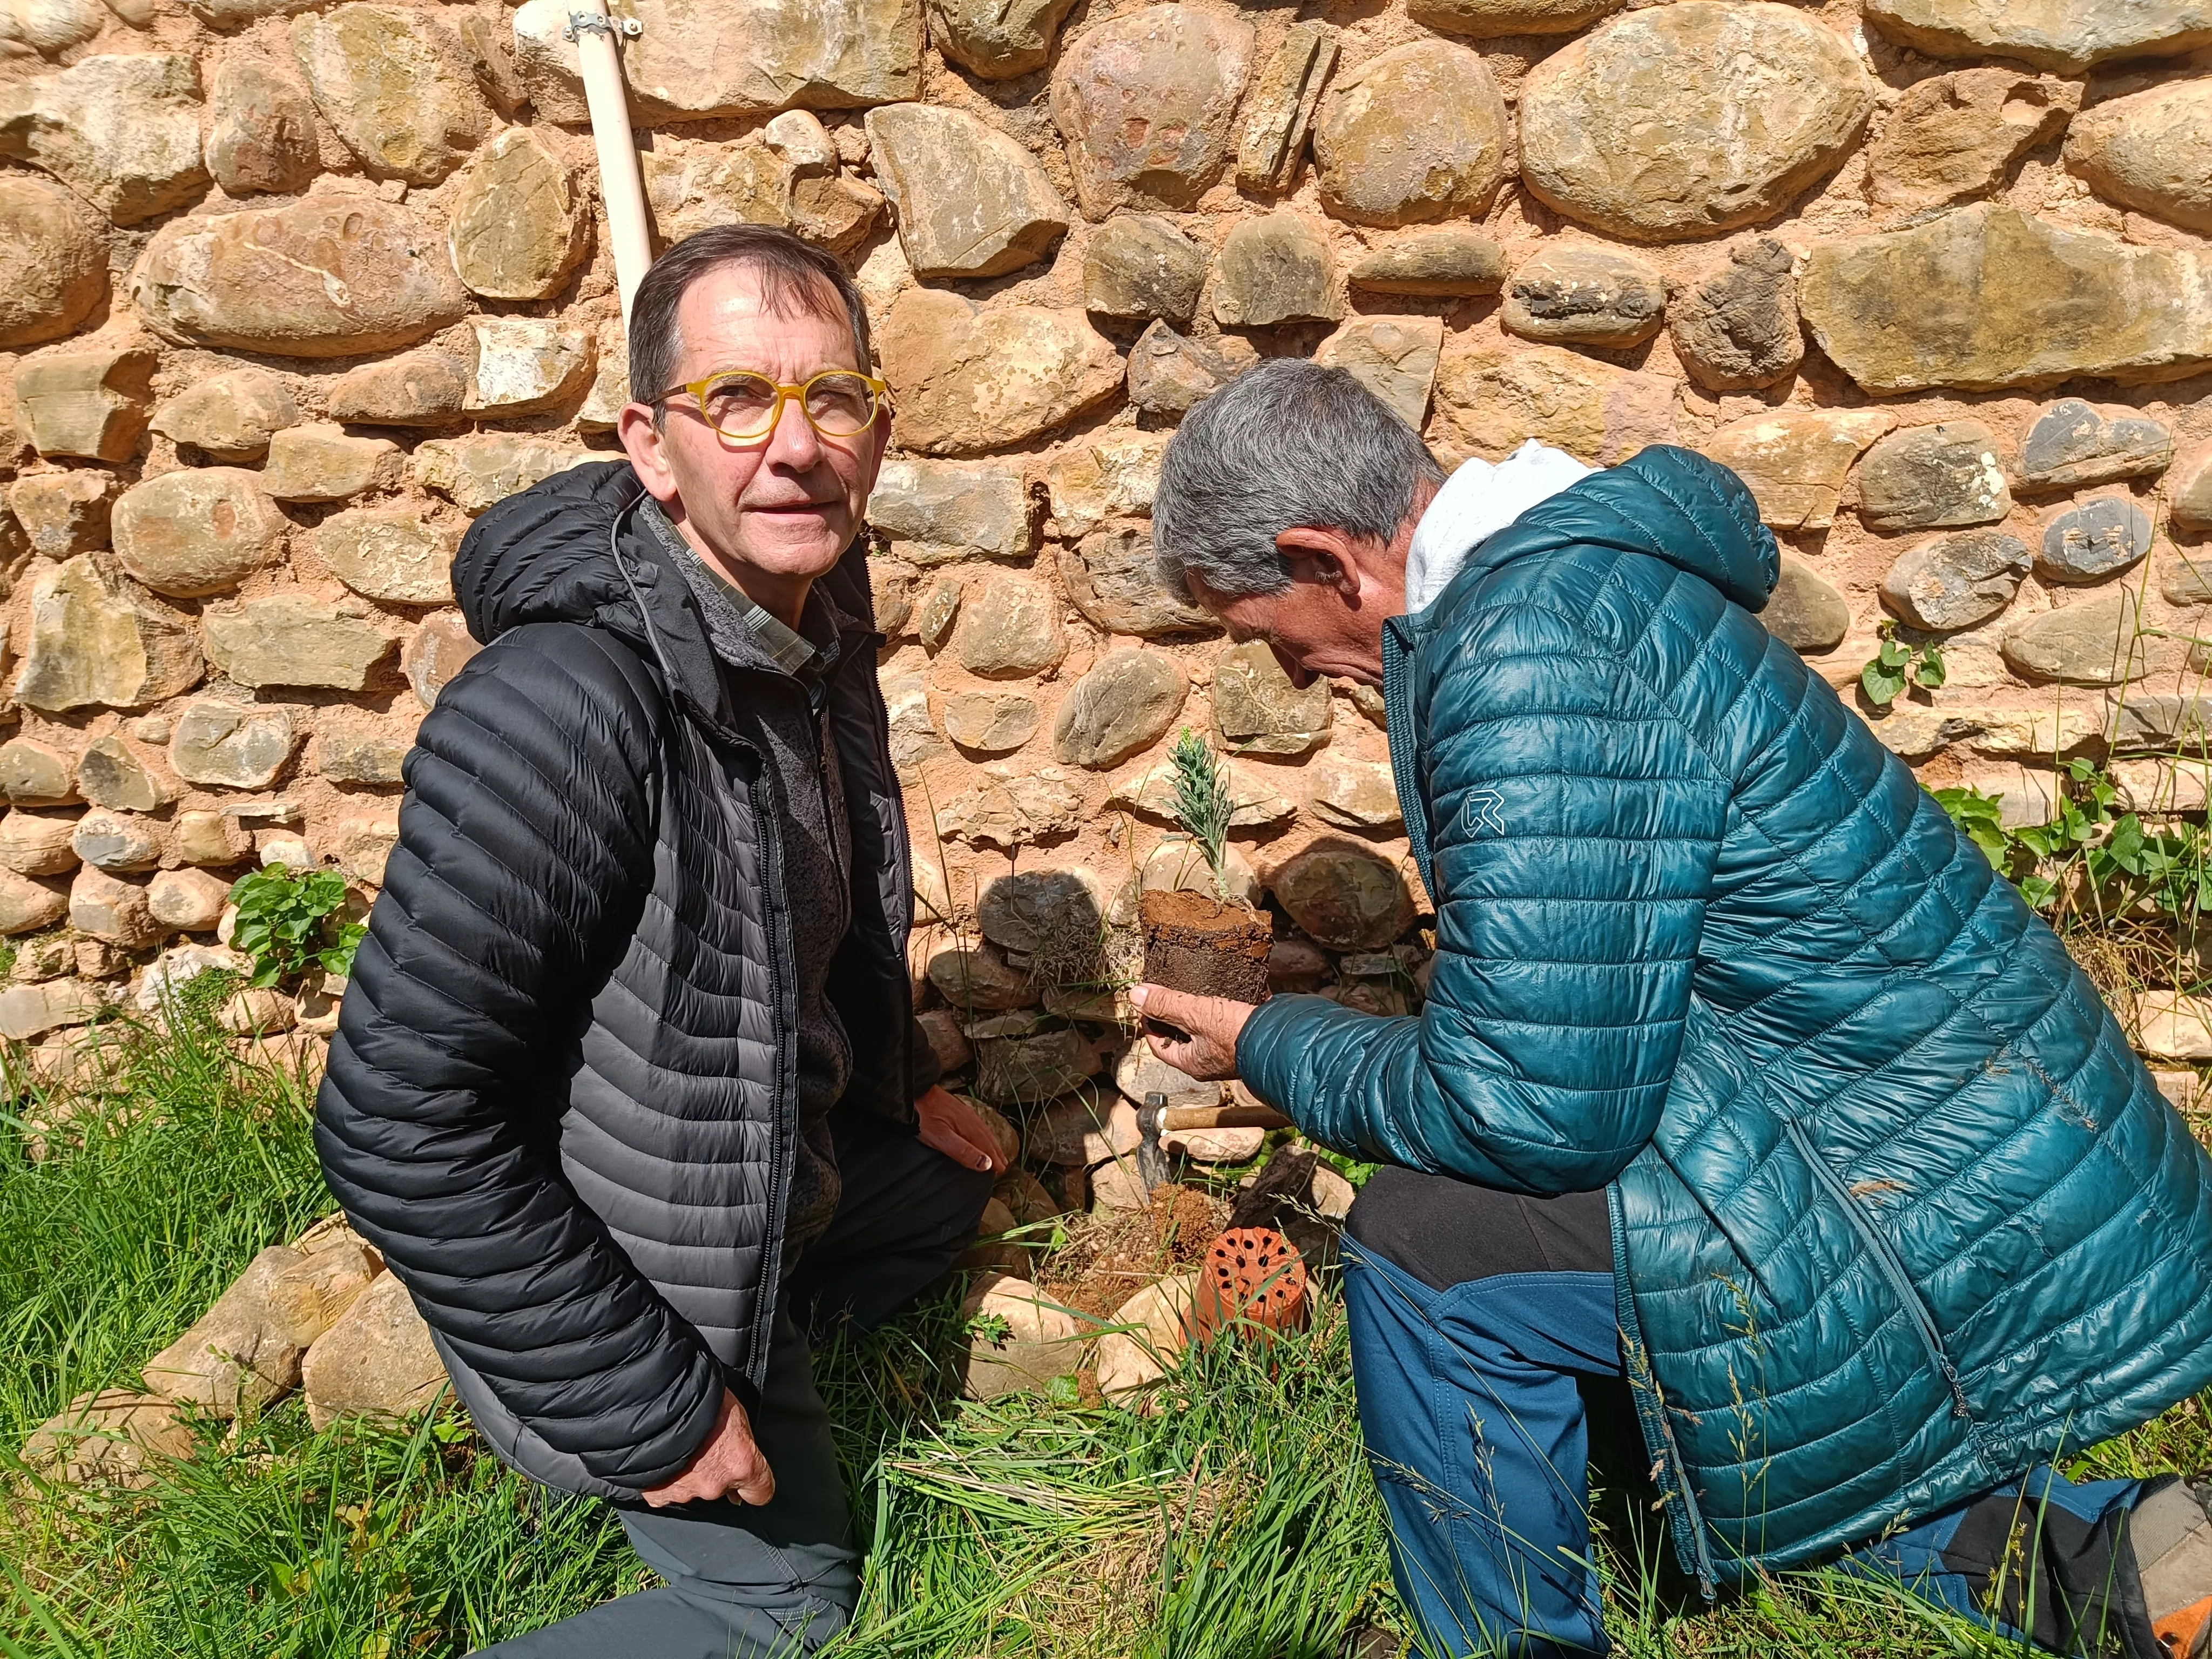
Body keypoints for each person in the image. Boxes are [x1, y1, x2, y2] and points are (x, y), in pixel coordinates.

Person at [1133, 359, 2212, 1659]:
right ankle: (2139, 1571)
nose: (1296, 677)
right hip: (1968, 1141)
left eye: (1265, 634)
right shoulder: (1581, 589)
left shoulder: (1525, 651)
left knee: (1429, 1245)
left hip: (1912, 1189)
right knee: (1694, 1350)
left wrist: (1265, 1042)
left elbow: (1524, 1112)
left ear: (1323, 558)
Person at [314, 225, 1011, 1657]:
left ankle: (739, 1354)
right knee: (783, 1617)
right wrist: (651, 1398)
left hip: (728, 1151)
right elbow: (395, 1118)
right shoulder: (564, 707)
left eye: (835, 399)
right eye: (738, 399)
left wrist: (890, 1089)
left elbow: (801, 936)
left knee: (944, 1199)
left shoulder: (805, 628)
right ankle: (616, 1435)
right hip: (616, 1239)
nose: (797, 446)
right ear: (649, 443)